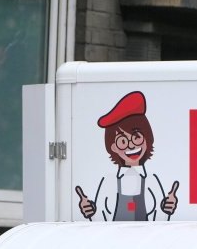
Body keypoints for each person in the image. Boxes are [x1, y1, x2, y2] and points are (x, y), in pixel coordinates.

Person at [75, 91, 179, 221]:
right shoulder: (109, 182)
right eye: (123, 141)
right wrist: (90, 212)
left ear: (146, 140)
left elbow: (160, 219)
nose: (131, 146)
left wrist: (167, 208)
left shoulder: (151, 181)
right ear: (113, 147)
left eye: (136, 138)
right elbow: (100, 220)